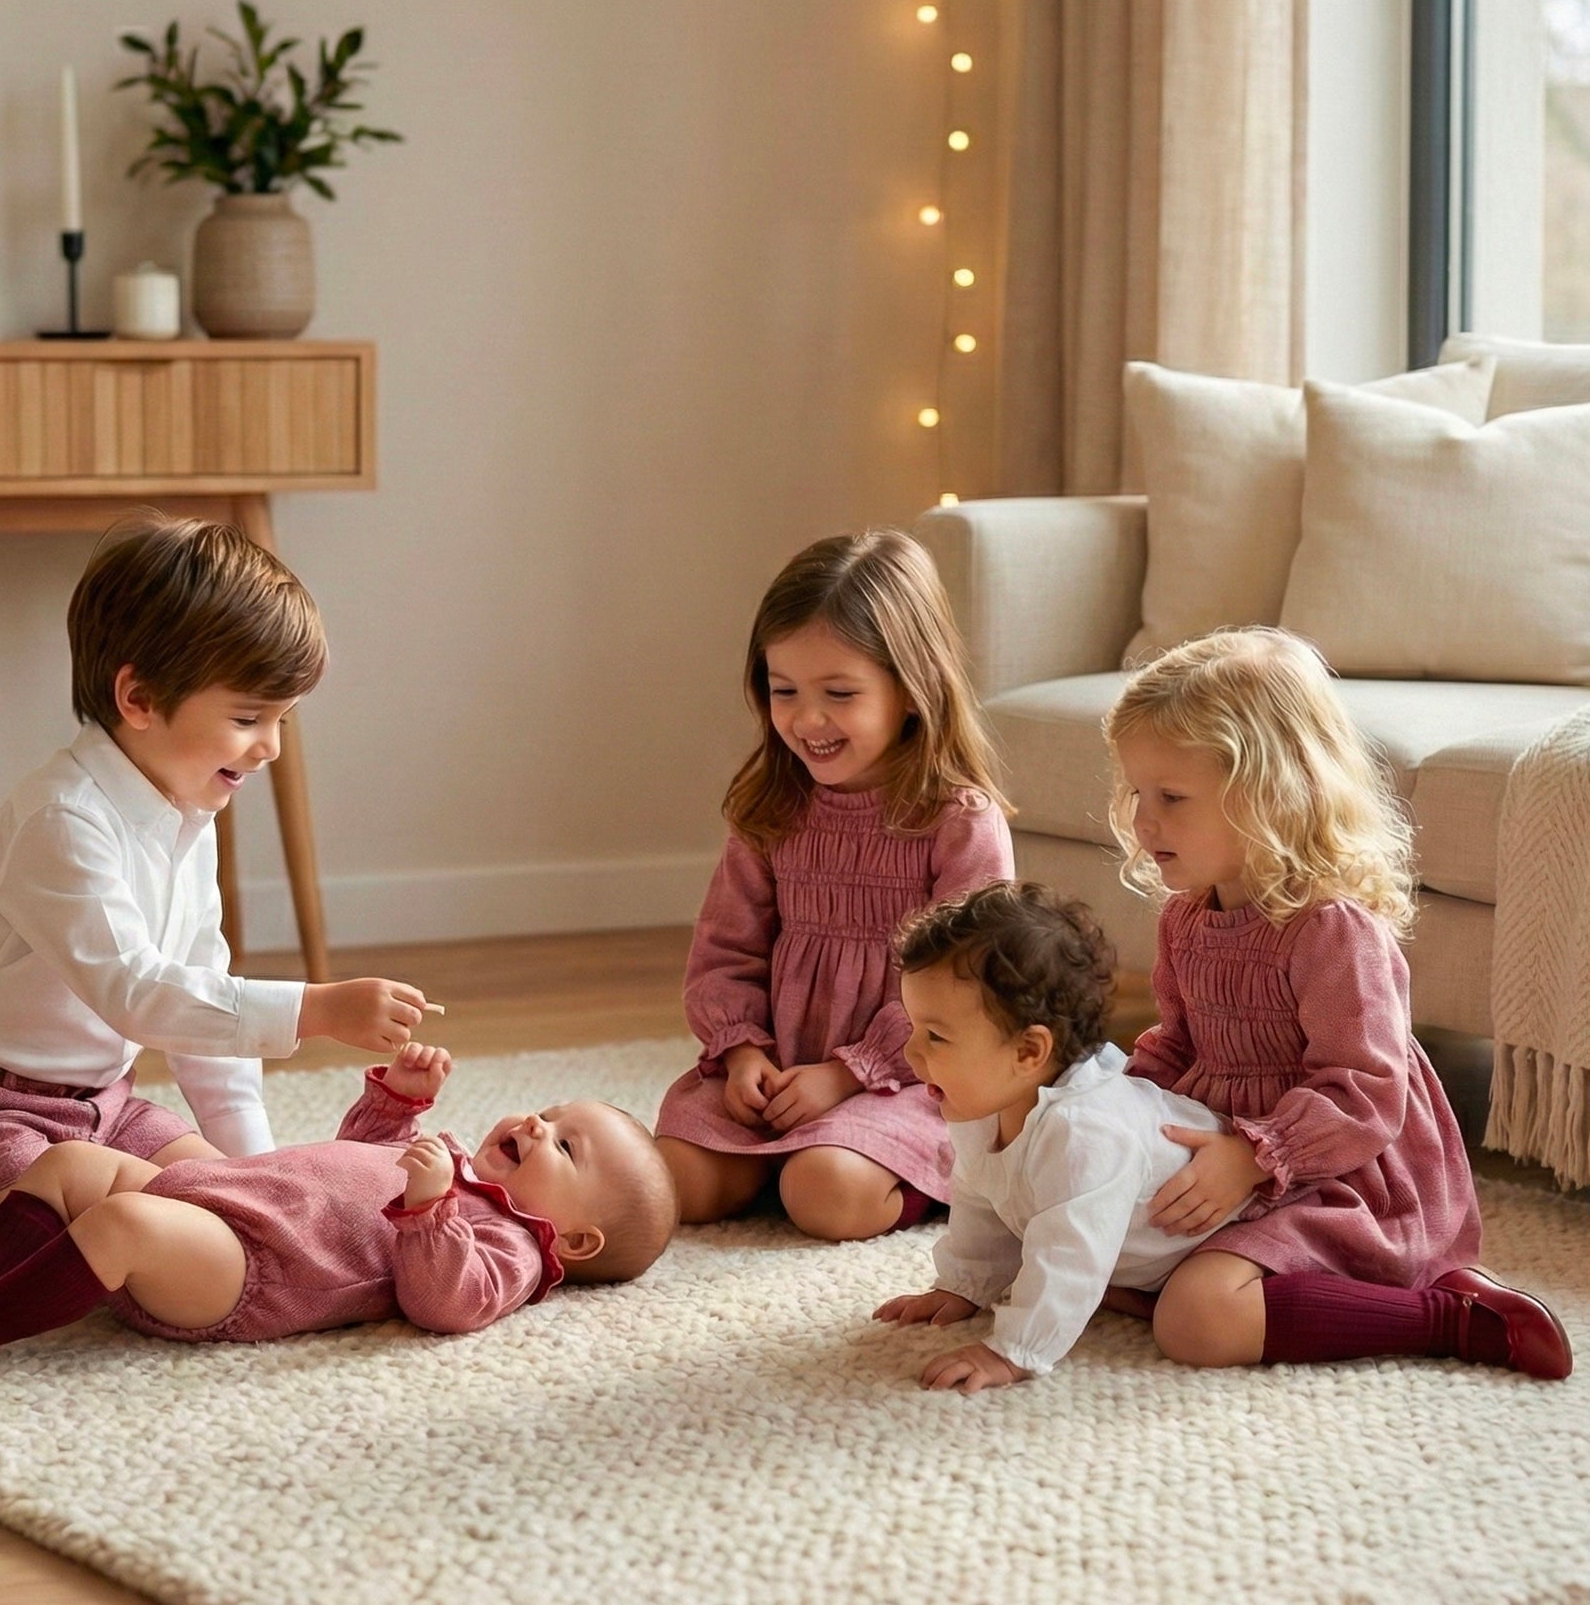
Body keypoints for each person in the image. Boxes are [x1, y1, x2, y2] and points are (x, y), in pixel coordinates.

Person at [0, 513, 433, 1297]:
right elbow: (137, 995)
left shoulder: (189, 817)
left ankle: (66, 1208)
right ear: (138, 697)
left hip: (100, 1106)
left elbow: (204, 1022)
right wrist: (314, 1009)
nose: (270, 746)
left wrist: (256, 1178)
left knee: (215, 1215)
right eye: (247, 718)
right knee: (90, 1245)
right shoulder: (62, 821)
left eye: (282, 720)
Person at [1104, 627, 1570, 1379]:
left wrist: (1256, 1158)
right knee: (1099, 1260)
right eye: (1136, 794)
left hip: (1341, 1171)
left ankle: (1453, 1319)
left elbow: (1366, 1090)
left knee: (1197, 1319)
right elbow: (1176, 1047)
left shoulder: (1330, 930)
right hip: (1231, 1151)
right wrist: (1108, 1117)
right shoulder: (1186, 918)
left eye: (1171, 798)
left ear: (1268, 796)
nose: (1143, 821)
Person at [0, 1043, 678, 1358]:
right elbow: (358, 1153)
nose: (538, 1123)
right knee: (72, 1163)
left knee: (125, 1221)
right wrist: (399, 1102)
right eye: (554, 1111)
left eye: (565, 1146)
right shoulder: (453, 1162)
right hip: (222, 1195)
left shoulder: (513, 1250)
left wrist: (433, 1212)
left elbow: (445, 1305)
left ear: (575, 1241)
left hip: (248, 1271)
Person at [654, 530, 1013, 1240]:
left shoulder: (958, 821)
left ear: (913, 691)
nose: (807, 719)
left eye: (839, 694)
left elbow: (969, 988)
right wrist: (743, 1054)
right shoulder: (771, 809)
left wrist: (849, 1076)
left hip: (910, 1078)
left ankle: (910, 1175)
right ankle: (783, 1156)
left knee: (824, 1194)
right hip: (779, 1068)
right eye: (784, 690)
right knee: (673, 1182)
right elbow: (725, 953)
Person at [875, 882, 1247, 1393]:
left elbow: (1068, 1255)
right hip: (1150, 1257)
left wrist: (1013, 1350)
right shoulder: (984, 1104)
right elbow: (983, 1200)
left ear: (1029, 1051)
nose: (912, 1051)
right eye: (915, 1028)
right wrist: (965, 1287)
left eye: (935, 1036)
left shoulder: (1085, 1133)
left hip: (1245, 1224)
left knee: (1207, 1316)